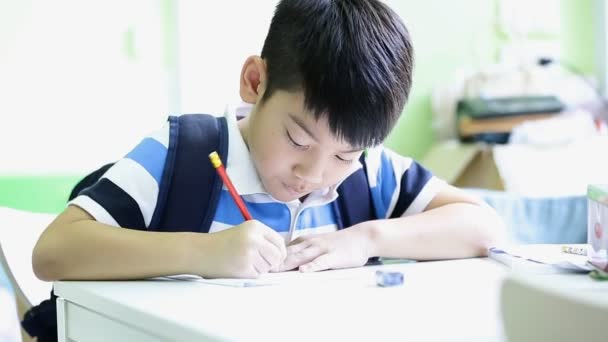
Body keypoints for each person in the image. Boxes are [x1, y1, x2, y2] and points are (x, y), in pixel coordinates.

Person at [32, 0, 505, 283]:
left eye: (343, 154)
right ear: (255, 81)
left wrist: (366, 237)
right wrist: (202, 254)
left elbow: (483, 229)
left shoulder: (371, 173)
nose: (313, 175)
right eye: (298, 138)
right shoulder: (184, 154)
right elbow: (54, 251)